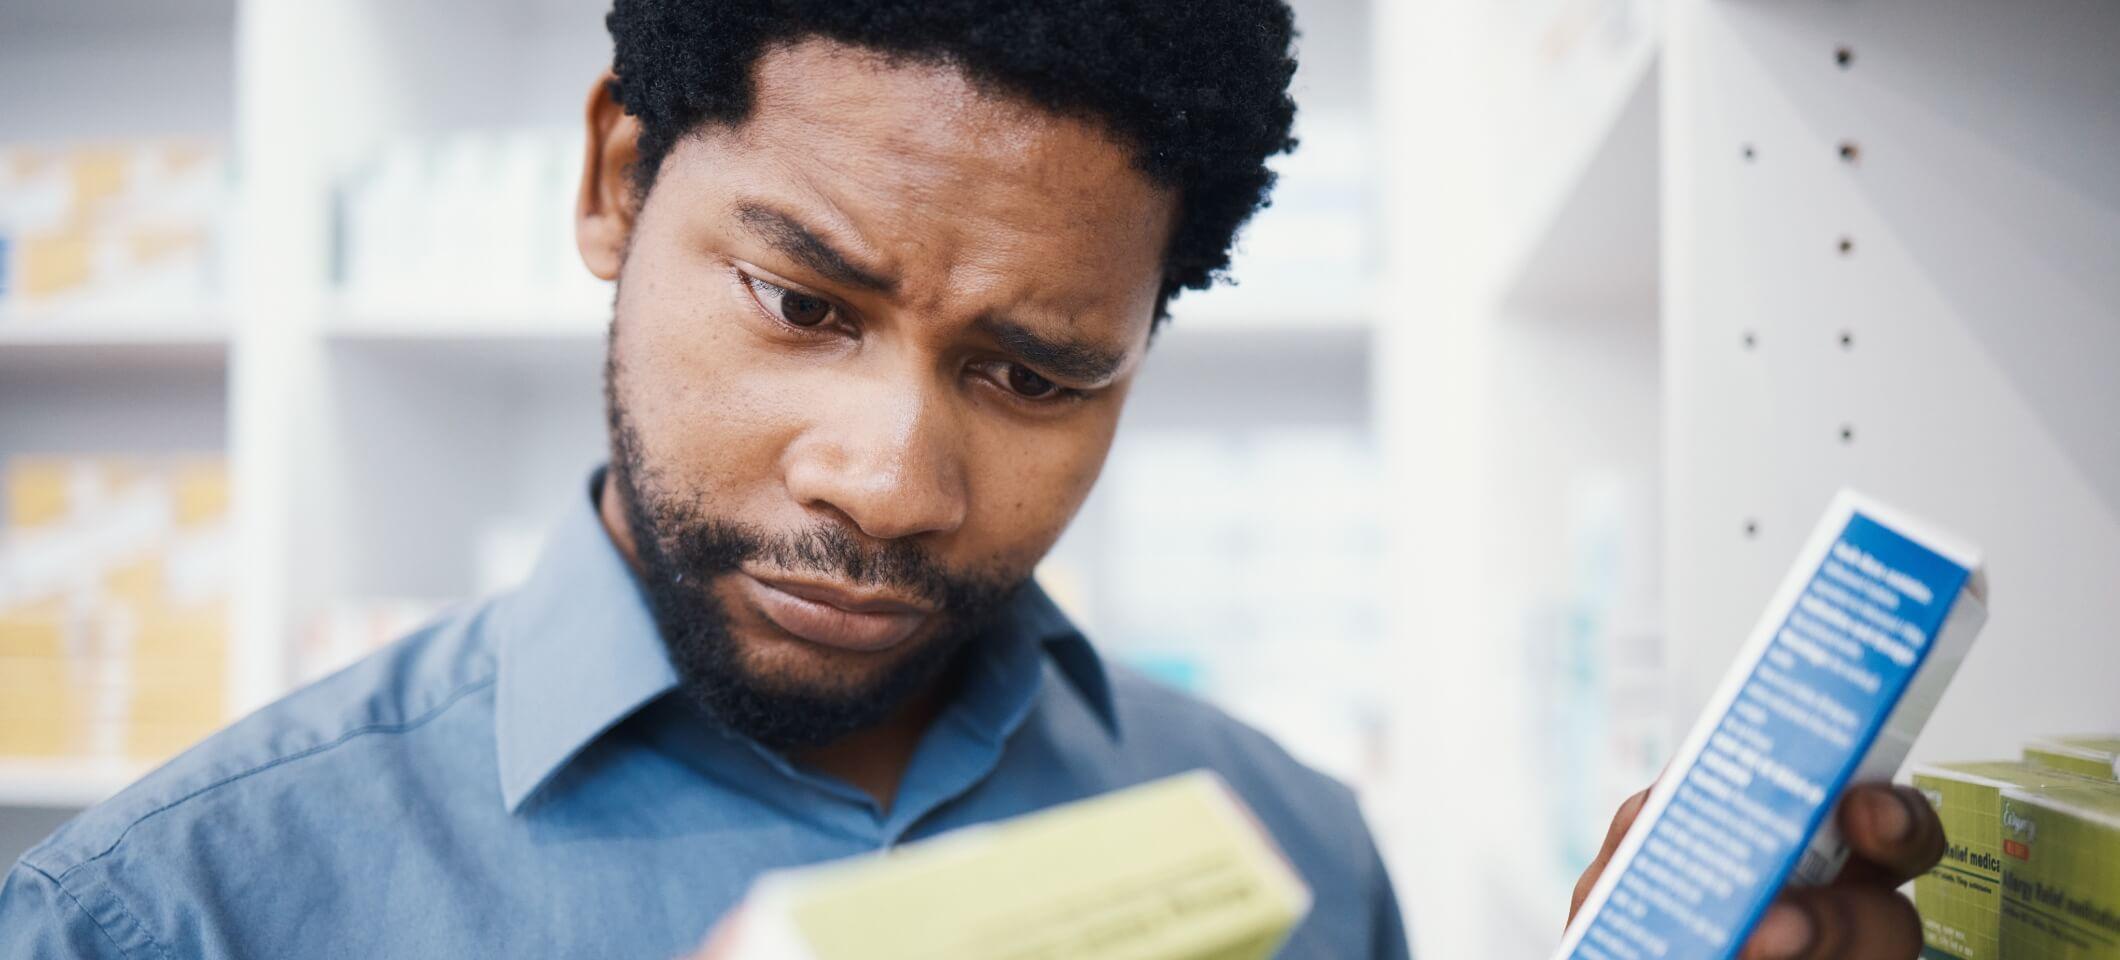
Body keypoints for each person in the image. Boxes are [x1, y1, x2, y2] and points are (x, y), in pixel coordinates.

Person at [0, 2, 1942, 957]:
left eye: (1035, 372)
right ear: (613, 182)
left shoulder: (1296, 858)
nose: (890, 480)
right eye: (797, 301)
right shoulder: (170, 914)